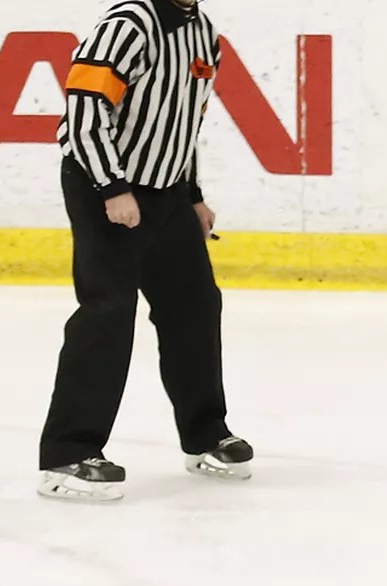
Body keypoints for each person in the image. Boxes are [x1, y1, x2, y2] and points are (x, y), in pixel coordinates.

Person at [39, 0, 252, 501]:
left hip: (168, 191)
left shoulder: (204, 33)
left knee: (195, 305)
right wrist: (112, 186)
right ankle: (66, 455)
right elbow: (86, 106)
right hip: (103, 182)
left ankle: (205, 436)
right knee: (108, 311)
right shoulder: (127, 25)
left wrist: (193, 194)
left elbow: (183, 124)